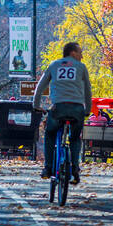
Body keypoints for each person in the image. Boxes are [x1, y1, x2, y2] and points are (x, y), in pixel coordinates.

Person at [33, 41, 92, 184]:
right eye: (80, 53)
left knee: (50, 133)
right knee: (75, 138)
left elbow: (40, 88)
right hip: (77, 109)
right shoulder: (81, 67)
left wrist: (36, 105)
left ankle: (47, 168)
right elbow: (88, 91)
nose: (82, 56)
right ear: (72, 53)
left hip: (58, 108)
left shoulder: (54, 65)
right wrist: (87, 110)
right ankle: (75, 169)